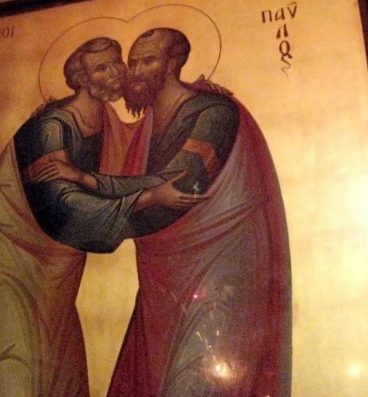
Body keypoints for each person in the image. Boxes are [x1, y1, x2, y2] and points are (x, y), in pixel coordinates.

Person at [0, 37, 201, 396]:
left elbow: (141, 157)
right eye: (102, 68)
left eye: (116, 63)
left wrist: (193, 96)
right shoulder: (51, 128)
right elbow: (64, 207)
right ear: (82, 79)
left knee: (55, 375)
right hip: (17, 262)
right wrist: (148, 198)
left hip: (59, 272)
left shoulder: (107, 120)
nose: (116, 73)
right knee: (13, 367)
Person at [55, 28, 292, 396]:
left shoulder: (214, 112)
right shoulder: (146, 125)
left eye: (147, 61)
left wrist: (89, 182)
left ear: (173, 64)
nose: (135, 72)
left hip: (216, 277)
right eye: (132, 62)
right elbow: (137, 180)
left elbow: (182, 182)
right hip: (161, 288)